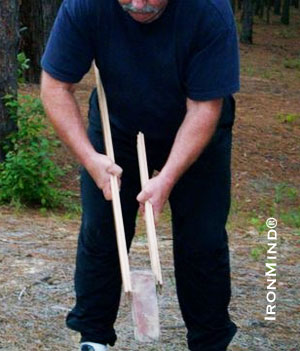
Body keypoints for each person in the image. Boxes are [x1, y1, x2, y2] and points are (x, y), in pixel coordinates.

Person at [40, 0, 240, 350]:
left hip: (196, 123)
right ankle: (94, 338)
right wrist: (91, 159)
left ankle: (209, 341)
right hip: (117, 124)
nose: (138, 5)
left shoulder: (208, 10)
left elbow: (205, 107)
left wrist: (167, 177)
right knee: (102, 228)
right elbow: (55, 86)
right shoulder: (85, 5)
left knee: (202, 238)